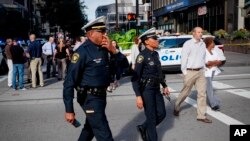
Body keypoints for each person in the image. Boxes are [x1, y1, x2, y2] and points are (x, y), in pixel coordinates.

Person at [63, 16, 116, 141]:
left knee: (90, 128)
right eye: (101, 31)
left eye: (105, 30)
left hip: (101, 96)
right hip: (89, 98)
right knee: (104, 134)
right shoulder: (81, 53)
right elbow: (69, 82)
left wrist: (114, 51)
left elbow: (123, 68)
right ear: (91, 33)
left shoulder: (104, 49)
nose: (105, 34)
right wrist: (69, 110)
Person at [131, 27, 170, 141]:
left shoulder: (155, 54)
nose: (157, 40)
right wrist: (138, 96)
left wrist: (165, 85)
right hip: (146, 90)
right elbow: (135, 78)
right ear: (147, 41)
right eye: (154, 38)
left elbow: (159, 72)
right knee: (151, 117)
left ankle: (143, 127)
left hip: (156, 88)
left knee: (162, 113)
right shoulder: (142, 56)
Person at [173, 27, 212, 123]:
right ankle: (176, 106)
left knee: (202, 94)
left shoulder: (203, 44)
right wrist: (185, 72)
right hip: (190, 72)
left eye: (201, 32)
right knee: (185, 92)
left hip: (200, 72)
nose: (200, 34)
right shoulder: (188, 44)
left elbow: (203, 57)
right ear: (193, 33)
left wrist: (204, 68)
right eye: (198, 32)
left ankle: (201, 116)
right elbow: (184, 59)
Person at [204, 37, 222, 111]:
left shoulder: (214, 51)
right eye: (212, 42)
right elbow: (207, 64)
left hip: (213, 71)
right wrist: (214, 62)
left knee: (208, 87)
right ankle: (213, 104)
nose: (214, 43)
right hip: (206, 72)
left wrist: (213, 63)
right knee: (209, 87)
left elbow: (219, 61)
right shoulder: (204, 52)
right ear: (209, 43)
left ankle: (212, 100)